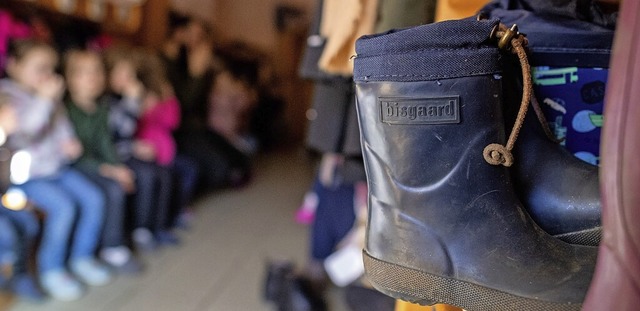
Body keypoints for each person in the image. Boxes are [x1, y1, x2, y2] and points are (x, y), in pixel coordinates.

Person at [0, 38, 111, 301]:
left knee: (94, 198)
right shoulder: (8, 95)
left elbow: (61, 125)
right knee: (63, 207)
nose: (47, 75)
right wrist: (43, 99)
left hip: (57, 169)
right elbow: (25, 131)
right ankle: (52, 268)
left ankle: (81, 257)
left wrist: (69, 141)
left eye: (51, 68)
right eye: (40, 67)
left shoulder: (50, 97)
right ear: (14, 66)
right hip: (28, 179)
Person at [62, 48, 143, 273]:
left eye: (97, 71)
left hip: (96, 165)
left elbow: (106, 143)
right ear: (69, 79)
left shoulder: (100, 109)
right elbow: (76, 156)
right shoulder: (66, 110)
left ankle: (112, 241)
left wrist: (118, 167)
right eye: (83, 73)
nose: (93, 78)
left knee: (122, 181)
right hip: (75, 167)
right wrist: (109, 170)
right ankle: (111, 247)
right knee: (112, 189)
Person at [105, 46, 179, 247]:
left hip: (126, 150)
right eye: (122, 73)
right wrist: (133, 101)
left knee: (162, 174)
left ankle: (156, 227)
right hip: (114, 155)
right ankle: (141, 230)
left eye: (131, 74)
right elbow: (119, 133)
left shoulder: (127, 99)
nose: (128, 79)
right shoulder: (109, 102)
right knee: (146, 175)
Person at [136, 52, 198, 232]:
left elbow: (173, 122)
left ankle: (176, 211)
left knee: (189, 170)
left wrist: (170, 98)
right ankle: (165, 220)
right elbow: (138, 123)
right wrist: (147, 105)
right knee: (166, 179)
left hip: (167, 149)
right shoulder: (138, 95)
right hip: (151, 150)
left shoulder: (162, 94)